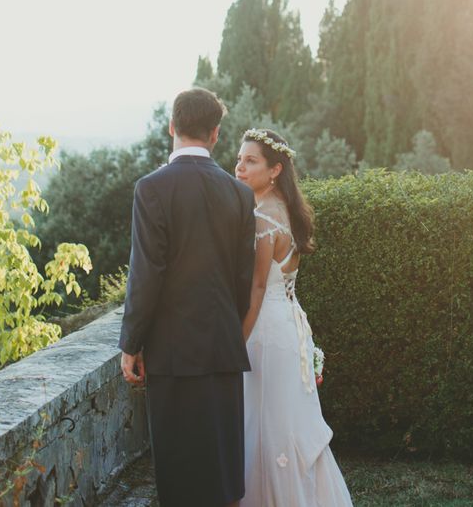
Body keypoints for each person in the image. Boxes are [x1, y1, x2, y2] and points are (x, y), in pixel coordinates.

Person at [119, 88, 256, 507]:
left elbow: (147, 274)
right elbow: (242, 281)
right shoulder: (240, 194)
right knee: (223, 473)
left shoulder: (151, 188)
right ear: (215, 134)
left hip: (172, 352)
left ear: (172, 127)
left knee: (179, 478)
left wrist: (131, 344)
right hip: (221, 347)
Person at [235, 128, 353, 506]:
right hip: (289, 326)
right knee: (282, 426)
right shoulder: (285, 208)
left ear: (275, 170)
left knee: (266, 429)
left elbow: (255, 289)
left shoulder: (262, 217)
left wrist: (236, 343)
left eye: (250, 160)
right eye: (239, 158)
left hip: (264, 333)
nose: (239, 166)